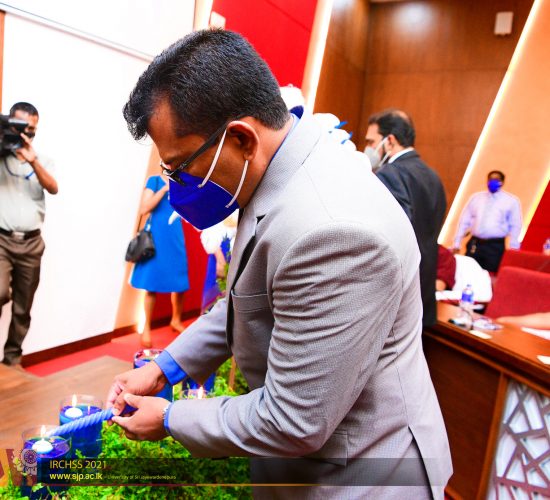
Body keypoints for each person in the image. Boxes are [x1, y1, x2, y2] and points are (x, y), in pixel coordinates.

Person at [108, 30, 452, 497]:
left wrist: (170, 418)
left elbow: (294, 419)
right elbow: (245, 299)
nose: (174, 183)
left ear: (241, 138)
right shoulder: (278, 164)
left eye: (180, 166)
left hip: (356, 476)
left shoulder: (335, 232)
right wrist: (164, 368)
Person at [366, 109, 447, 327]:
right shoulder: (433, 176)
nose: (369, 148)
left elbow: (392, 236)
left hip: (399, 296)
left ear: (390, 141)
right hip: (424, 289)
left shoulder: (390, 174)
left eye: (371, 142)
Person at [0, 102, 58, 368]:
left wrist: (32, 160)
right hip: (2, 241)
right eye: (21, 128)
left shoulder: (41, 160)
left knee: (23, 306)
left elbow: (53, 188)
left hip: (32, 244)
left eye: (31, 130)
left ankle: (12, 360)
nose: (26, 134)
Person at [130, 174, 190, 347]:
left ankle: (176, 320)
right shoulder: (154, 181)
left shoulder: (181, 181)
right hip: (156, 237)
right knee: (151, 284)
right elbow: (144, 208)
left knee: (179, 282)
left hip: (175, 235)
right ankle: (146, 328)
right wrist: (164, 189)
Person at [452, 170, 522, 273]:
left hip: (495, 246)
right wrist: (457, 243)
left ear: (502, 182)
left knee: (489, 275)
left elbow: (515, 225)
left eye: (496, 179)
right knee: (467, 272)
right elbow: (464, 221)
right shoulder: (476, 198)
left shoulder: (511, 201)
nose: (492, 182)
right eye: (490, 179)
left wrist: (514, 248)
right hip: (475, 243)